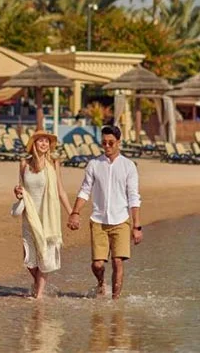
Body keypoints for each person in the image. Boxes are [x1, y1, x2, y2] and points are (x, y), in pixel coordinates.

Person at [67, 125, 142, 299]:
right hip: (98, 220)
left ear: (118, 143)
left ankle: (115, 302)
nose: (107, 146)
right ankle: (101, 283)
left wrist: (137, 226)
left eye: (111, 143)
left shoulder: (128, 166)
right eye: (104, 143)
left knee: (118, 261)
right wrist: (75, 212)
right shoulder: (94, 164)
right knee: (97, 265)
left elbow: (133, 197)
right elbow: (85, 190)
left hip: (121, 220)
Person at [13, 130, 73, 299]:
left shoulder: (54, 163)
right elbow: (20, 189)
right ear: (34, 144)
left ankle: (38, 296)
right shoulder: (24, 163)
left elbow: (60, 190)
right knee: (29, 258)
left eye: (47, 141)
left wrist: (71, 212)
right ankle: (39, 283)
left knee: (45, 256)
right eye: (40, 141)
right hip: (30, 215)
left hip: (48, 216)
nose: (44, 144)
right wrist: (17, 192)